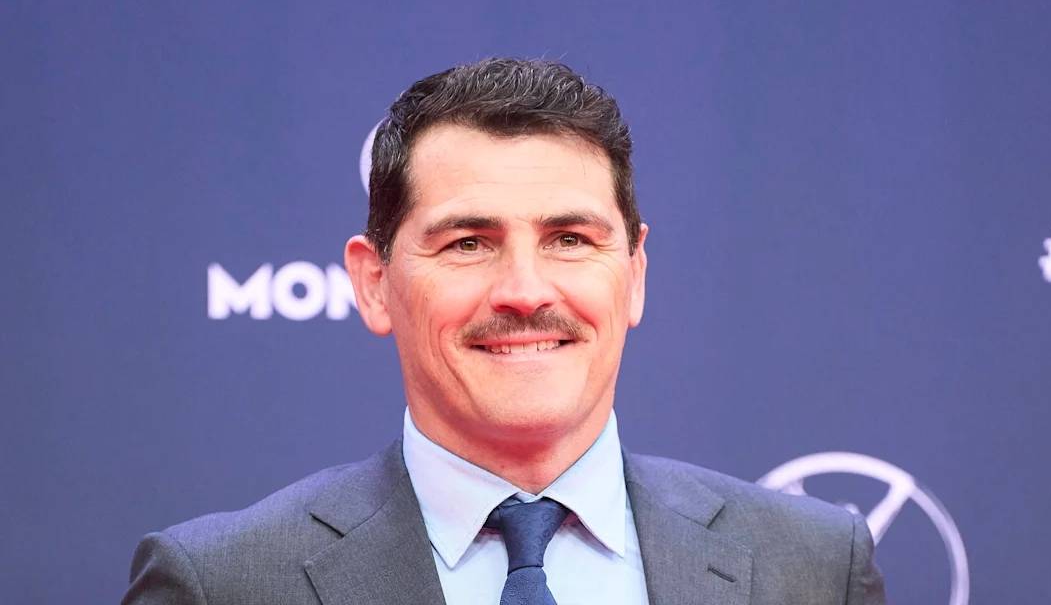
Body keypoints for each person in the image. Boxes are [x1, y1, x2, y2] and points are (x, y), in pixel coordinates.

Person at [124, 58, 886, 605]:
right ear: (373, 282)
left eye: (570, 239)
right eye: (468, 243)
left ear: (635, 274)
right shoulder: (222, 582)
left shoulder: (813, 567)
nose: (524, 292)